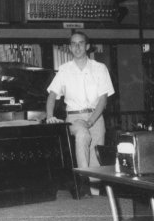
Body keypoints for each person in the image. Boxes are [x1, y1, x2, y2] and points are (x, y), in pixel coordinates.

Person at [45, 31, 114, 198]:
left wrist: (90, 121)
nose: (77, 47)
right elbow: (52, 95)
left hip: (96, 118)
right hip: (74, 118)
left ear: (87, 46)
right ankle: (83, 187)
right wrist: (49, 115)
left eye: (80, 43)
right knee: (82, 135)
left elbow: (103, 100)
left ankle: (94, 199)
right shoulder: (64, 70)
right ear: (70, 47)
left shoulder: (100, 68)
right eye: (73, 44)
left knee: (95, 162)